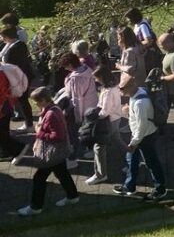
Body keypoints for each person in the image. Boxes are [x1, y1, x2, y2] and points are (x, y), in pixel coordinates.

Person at [14, 87, 79, 216]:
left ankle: (36, 207)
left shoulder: (52, 114)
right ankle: (73, 196)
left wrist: (40, 133)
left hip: (51, 153)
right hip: (58, 153)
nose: (36, 105)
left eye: (37, 102)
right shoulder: (52, 109)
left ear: (43, 100)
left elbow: (58, 135)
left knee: (39, 178)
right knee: (62, 173)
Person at [113, 74, 166, 199]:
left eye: (122, 89)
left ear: (131, 86)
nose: (120, 92)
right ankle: (129, 186)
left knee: (151, 163)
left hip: (145, 136)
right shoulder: (139, 92)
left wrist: (133, 143)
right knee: (131, 160)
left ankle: (160, 189)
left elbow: (141, 127)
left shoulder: (140, 103)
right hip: (140, 134)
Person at [88, 65, 122, 185]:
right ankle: (130, 162)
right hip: (116, 118)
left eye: (97, 78)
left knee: (99, 147)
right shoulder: (114, 86)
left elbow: (105, 111)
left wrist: (93, 118)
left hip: (108, 121)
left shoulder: (107, 91)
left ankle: (100, 174)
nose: (96, 80)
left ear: (102, 77)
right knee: (118, 142)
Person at [59, 53, 97, 159]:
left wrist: (78, 116)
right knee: (90, 129)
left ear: (70, 64)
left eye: (66, 66)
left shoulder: (76, 79)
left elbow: (77, 99)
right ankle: (91, 149)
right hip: (92, 103)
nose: (65, 68)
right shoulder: (86, 69)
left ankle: (81, 152)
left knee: (81, 131)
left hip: (83, 108)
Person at [1, 25, 35, 131]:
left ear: (7, 36)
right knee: (21, 101)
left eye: (2, 37)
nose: (2, 39)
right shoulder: (13, 45)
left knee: (23, 101)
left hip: (19, 78)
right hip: (16, 77)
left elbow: (12, 65)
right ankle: (28, 124)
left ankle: (29, 125)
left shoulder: (16, 47)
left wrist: (2, 64)